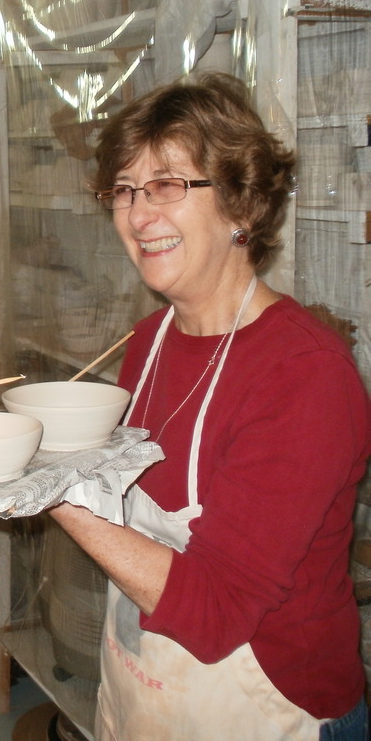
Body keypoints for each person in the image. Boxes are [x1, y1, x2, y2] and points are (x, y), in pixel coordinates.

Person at [49, 72, 371, 740]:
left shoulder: (305, 375)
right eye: (124, 189)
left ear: (240, 205)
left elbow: (219, 611)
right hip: (145, 687)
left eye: (167, 185)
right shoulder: (148, 342)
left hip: (272, 705)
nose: (138, 215)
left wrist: (48, 489)